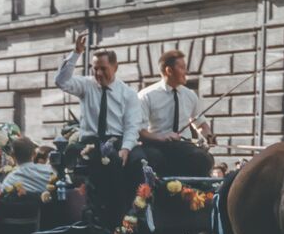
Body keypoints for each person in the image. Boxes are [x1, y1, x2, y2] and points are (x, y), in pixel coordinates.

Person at [54, 32, 141, 168]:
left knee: (138, 160)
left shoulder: (128, 93)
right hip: (90, 141)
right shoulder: (86, 85)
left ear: (115, 67)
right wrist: (76, 53)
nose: (99, 73)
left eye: (103, 68)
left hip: (116, 140)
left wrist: (126, 148)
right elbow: (61, 81)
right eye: (95, 69)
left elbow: (132, 126)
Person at [135, 49, 215, 178]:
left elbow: (200, 124)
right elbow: (139, 131)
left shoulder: (190, 95)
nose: (186, 72)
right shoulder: (146, 96)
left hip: (183, 146)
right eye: (182, 68)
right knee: (154, 158)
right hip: (156, 146)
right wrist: (161, 137)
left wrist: (209, 136)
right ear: (169, 71)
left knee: (203, 159)